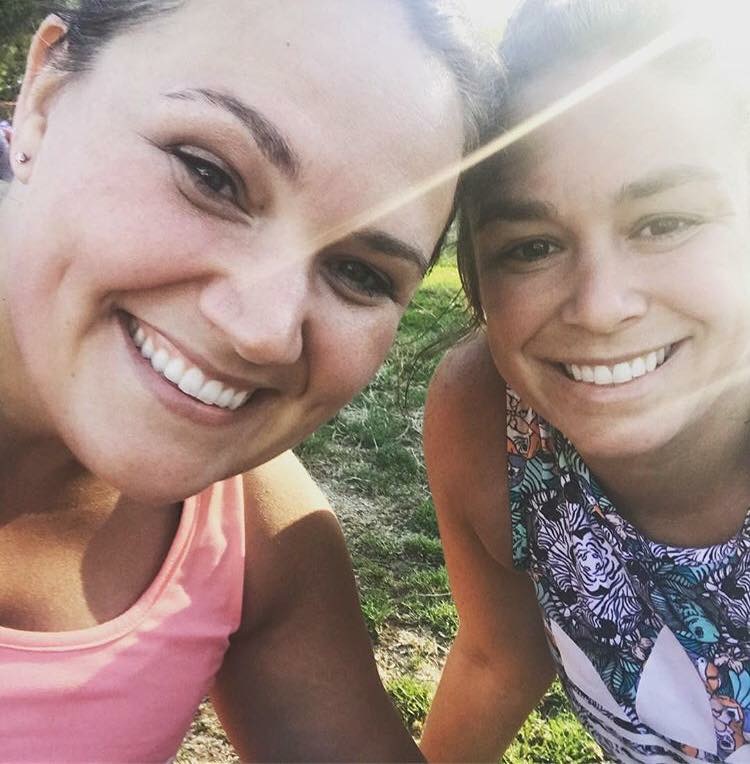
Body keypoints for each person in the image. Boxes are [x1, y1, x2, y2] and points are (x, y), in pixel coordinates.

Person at [0, 1, 493, 760]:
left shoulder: (256, 533)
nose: (263, 329)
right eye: (211, 175)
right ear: (43, 101)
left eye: (359, 272)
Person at [420, 0, 750, 761]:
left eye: (665, 222)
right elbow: (498, 658)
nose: (601, 307)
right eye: (532, 246)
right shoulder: (487, 417)